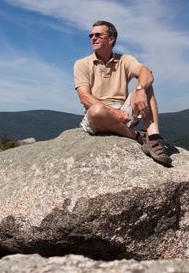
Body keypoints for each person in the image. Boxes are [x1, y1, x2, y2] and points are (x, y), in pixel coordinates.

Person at [73, 20, 172, 166]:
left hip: (125, 111)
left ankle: (154, 138)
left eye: (98, 35)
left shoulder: (124, 60)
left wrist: (140, 89)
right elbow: (84, 97)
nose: (93, 38)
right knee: (96, 110)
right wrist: (114, 113)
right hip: (98, 115)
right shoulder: (81, 64)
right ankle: (136, 135)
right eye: (91, 35)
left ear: (111, 39)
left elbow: (146, 72)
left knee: (146, 86)